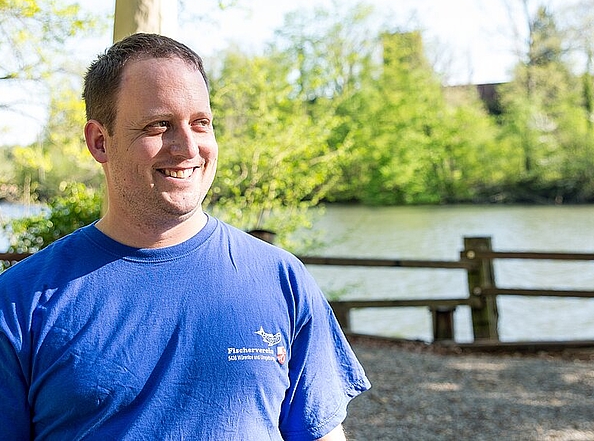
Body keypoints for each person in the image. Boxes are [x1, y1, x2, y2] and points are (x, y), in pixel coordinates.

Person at [0, 33, 370, 440]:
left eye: (201, 123)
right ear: (100, 142)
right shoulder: (21, 300)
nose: (188, 147)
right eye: (159, 125)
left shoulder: (281, 279)